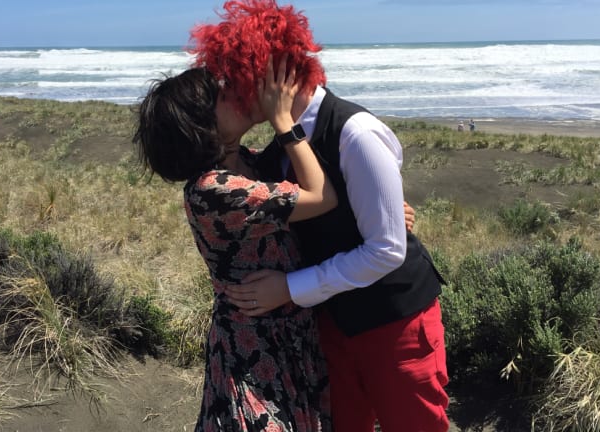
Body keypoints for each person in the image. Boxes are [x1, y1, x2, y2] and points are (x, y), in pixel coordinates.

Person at [189, 1, 450, 431]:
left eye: (238, 78)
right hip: (331, 328)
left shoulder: (355, 134)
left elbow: (386, 250)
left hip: (395, 325)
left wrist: (289, 288)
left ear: (274, 73)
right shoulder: (274, 153)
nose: (232, 92)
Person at [133, 59, 335, 431]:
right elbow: (320, 196)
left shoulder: (248, 162)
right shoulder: (213, 190)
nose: (236, 94)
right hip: (256, 349)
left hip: (290, 333)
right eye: (222, 96)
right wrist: (284, 123)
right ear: (202, 126)